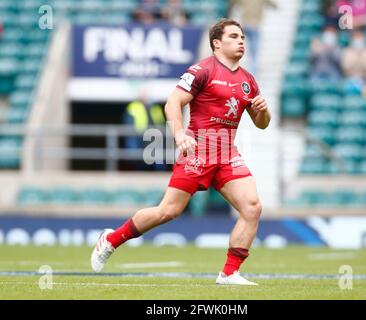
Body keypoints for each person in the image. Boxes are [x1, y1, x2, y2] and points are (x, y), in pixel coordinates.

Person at [91, 18, 271, 285]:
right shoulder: (202, 70)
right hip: (198, 151)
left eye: (243, 36)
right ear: (217, 43)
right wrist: (178, 134)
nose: (241, 40)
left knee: (252, 206)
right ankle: (111, 238)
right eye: (234, 36)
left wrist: (264, 111)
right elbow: (173, 101)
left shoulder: (248, 81)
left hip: (226, 153)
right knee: (168, 211)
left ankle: (229, 273)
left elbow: (262, 124)